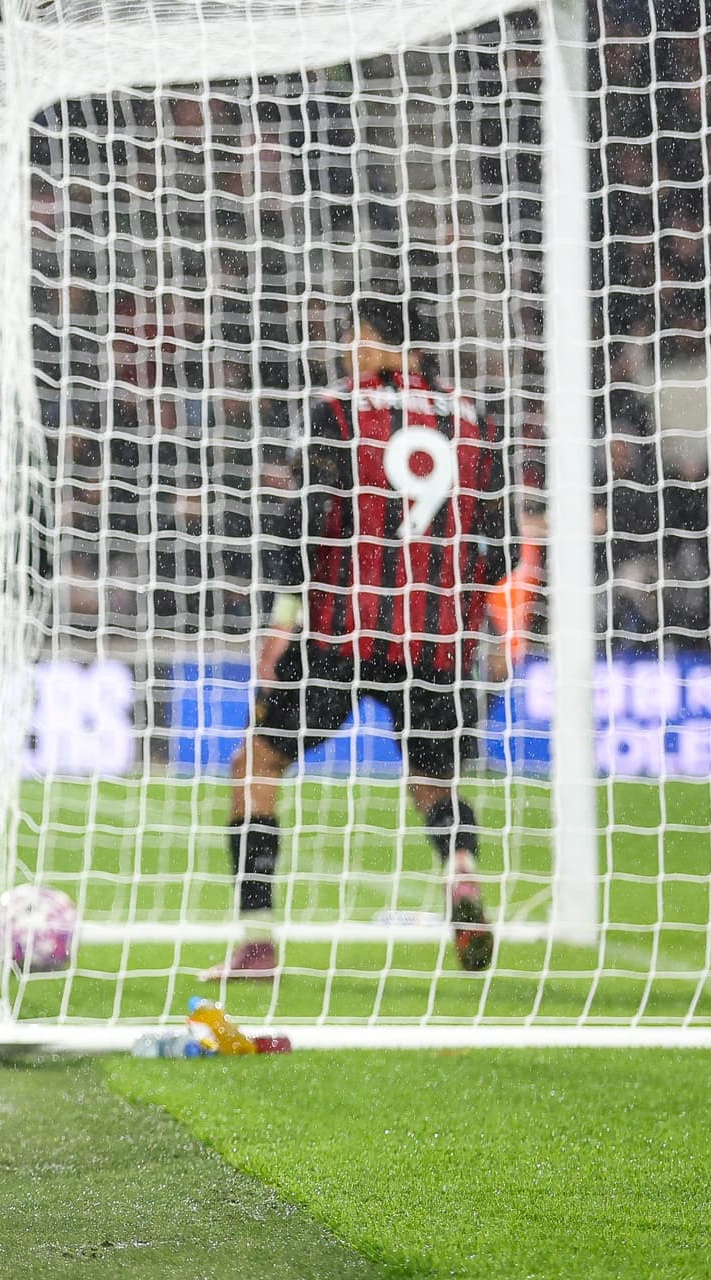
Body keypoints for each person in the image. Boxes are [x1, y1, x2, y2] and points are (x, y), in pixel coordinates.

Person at [206, 296, 510, 981]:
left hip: (341, 633)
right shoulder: (474, 420)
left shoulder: (339, 410)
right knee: (433, 782)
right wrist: (458, 604)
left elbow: (307, 523)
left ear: (388, 343)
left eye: (357, 336)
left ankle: (256, 940)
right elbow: (504, 546)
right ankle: (460, 870)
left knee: (256, 765)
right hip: (435, 641)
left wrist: (286, 614)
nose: (349, 350)